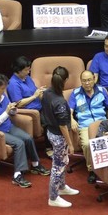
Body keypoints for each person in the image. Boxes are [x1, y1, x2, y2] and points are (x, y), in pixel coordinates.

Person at [0, 73, 47, 188]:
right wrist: (6, 112)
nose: (4, 90)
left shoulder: (3, 97)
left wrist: (13, 110)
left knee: (28, 138)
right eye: (2, 88)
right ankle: (17, 176)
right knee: (19, 143)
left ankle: (35, 164)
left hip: (8, 127)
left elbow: (10, 113)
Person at [41, 66, 80, 207]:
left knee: (63, 163)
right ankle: (53, 197)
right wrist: (70, 143)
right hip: (58, 136)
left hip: (50, 132)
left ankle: (62, 187)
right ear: (66, 80)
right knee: (57, 167)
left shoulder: (46, 92)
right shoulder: (60, 101)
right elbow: (63, 126)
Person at [70, 70, 108, 184]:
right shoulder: (76, 93)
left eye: (89, 80)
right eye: (84, 81)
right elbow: (70, 110)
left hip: (101, 123)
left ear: (94, 79)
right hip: (85, 125)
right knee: (88, 144)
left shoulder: (102, 91)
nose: (87, 83)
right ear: (81, 82)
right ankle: (92, 170)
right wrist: (72, 119)